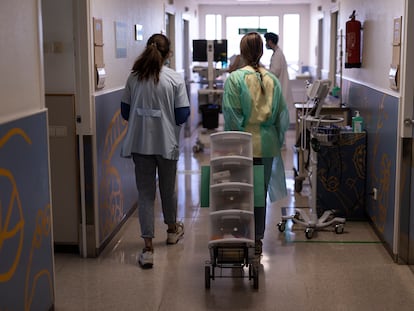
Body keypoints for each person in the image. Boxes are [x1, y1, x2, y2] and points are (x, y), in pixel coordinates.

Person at [120, 33, 190, 269]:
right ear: (168, 54)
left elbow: (124, 112)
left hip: (140, 144)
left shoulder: (134, 77)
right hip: (166, 143)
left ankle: (147, 248)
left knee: (145, 193)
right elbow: (182, 115)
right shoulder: (174, 79)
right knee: (168, 189)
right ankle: (171, 231)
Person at [222, 32, 289, 256]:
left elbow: (232, 116)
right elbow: (282, 117)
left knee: (240, 193)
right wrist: (275, 140)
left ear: (242, 52)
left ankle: (241, 235)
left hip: (242, 145)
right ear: (262, 52)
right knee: (259, 194)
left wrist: (235, 140)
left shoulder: (235, 79)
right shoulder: (272, 80)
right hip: (267, 146)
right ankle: (257, 239)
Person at [264, 32, 294, 123]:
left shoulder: (277, 55)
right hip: (279, 91)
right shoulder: (278, 53)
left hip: (279, 92)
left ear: (270, 41)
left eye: (266, 41)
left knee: (277, 122)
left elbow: (274, 73)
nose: (265, 44)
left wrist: (262, 70)